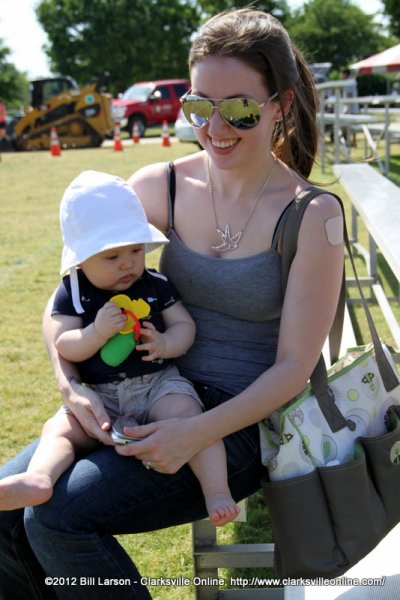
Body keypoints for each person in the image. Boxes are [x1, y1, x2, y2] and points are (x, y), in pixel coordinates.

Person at [0, 7, 344, 599]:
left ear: (281, 104)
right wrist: (69, 386)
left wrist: (194, 432)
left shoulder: (312, 215)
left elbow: (293, 367)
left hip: (239, 424)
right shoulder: (157, 186)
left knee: (57, 517)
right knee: (8, 512)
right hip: (137, 393)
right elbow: (68, 298)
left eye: (239, 108)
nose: (216, 127)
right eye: (199, 106)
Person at [0, 170, 239, 527]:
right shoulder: (74, 292)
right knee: (60, 430)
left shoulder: (154, 283)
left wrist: (166, 343)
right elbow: (65, 344)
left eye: (135, 250)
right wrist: (96, 332)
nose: (127, 263)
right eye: (111, 257)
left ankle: (217, 490)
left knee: (189, 415)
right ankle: (40, 478)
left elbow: (185, 326)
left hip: (156, 384)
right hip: (99, 396)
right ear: (81, 260)